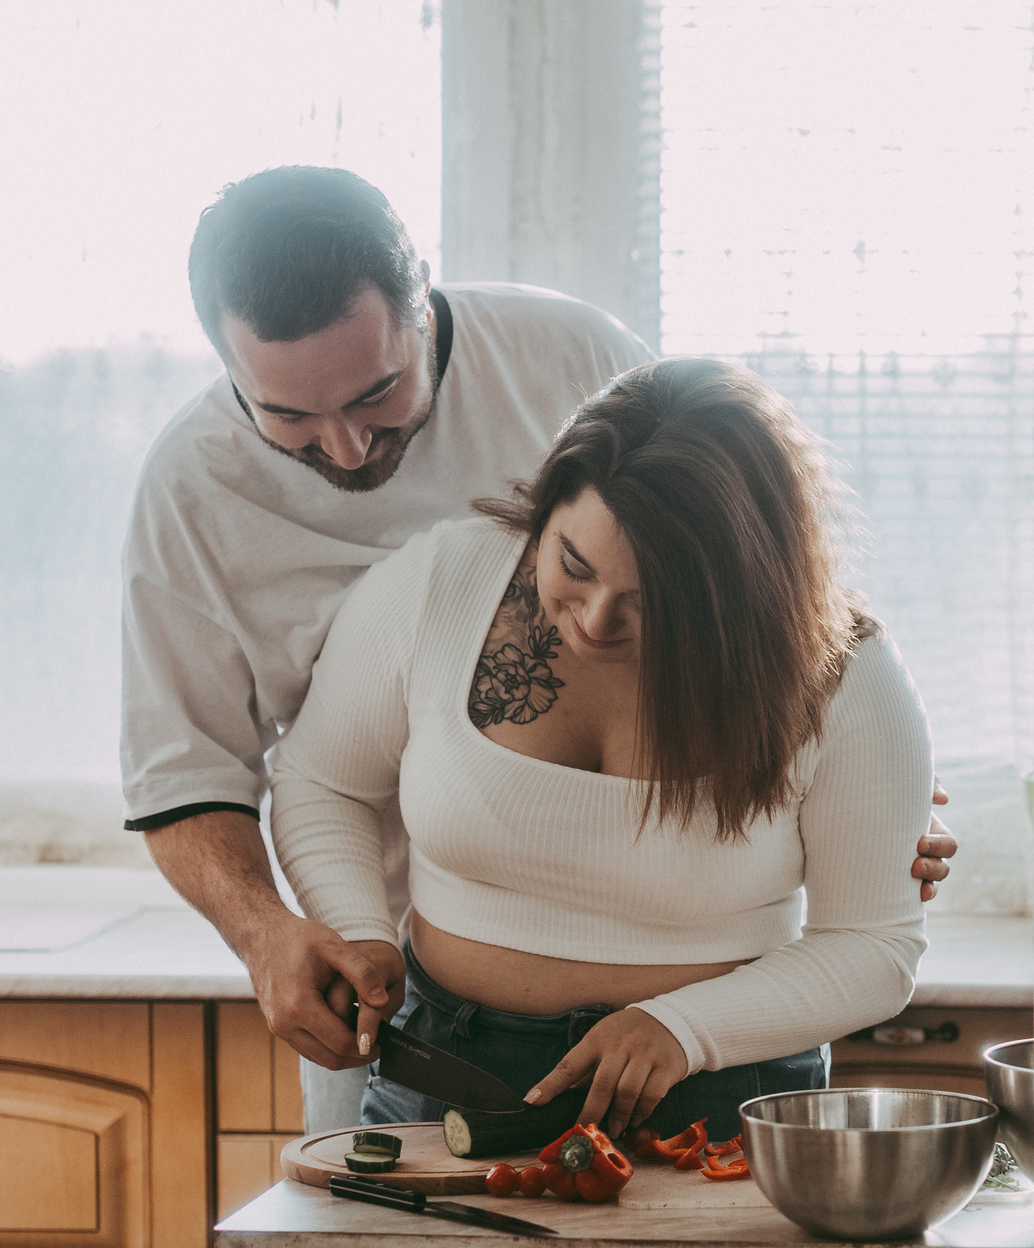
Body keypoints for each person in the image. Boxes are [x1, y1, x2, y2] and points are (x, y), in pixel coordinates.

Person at [122, 167, 955, 1133]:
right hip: (398, 995)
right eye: (291, 418)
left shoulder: (576, 357)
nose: (346, 447)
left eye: (377, 393)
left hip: (718, 1061)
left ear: (422, 305)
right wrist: (280, 936)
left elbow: (710, 513)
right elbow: (191, 776)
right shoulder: (198, 495)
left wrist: (875, 807)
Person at [268, 360, 928, 1138]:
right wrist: (359, 930)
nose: (594, 621)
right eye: (572, 567)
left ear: (743, 591)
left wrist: (682, 1029)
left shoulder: (846, 674)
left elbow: (874, 946)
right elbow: (321, 782)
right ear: (545, 510)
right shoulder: (440, 581)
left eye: (649, 600)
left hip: (722, 1093)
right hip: (445, 1072)